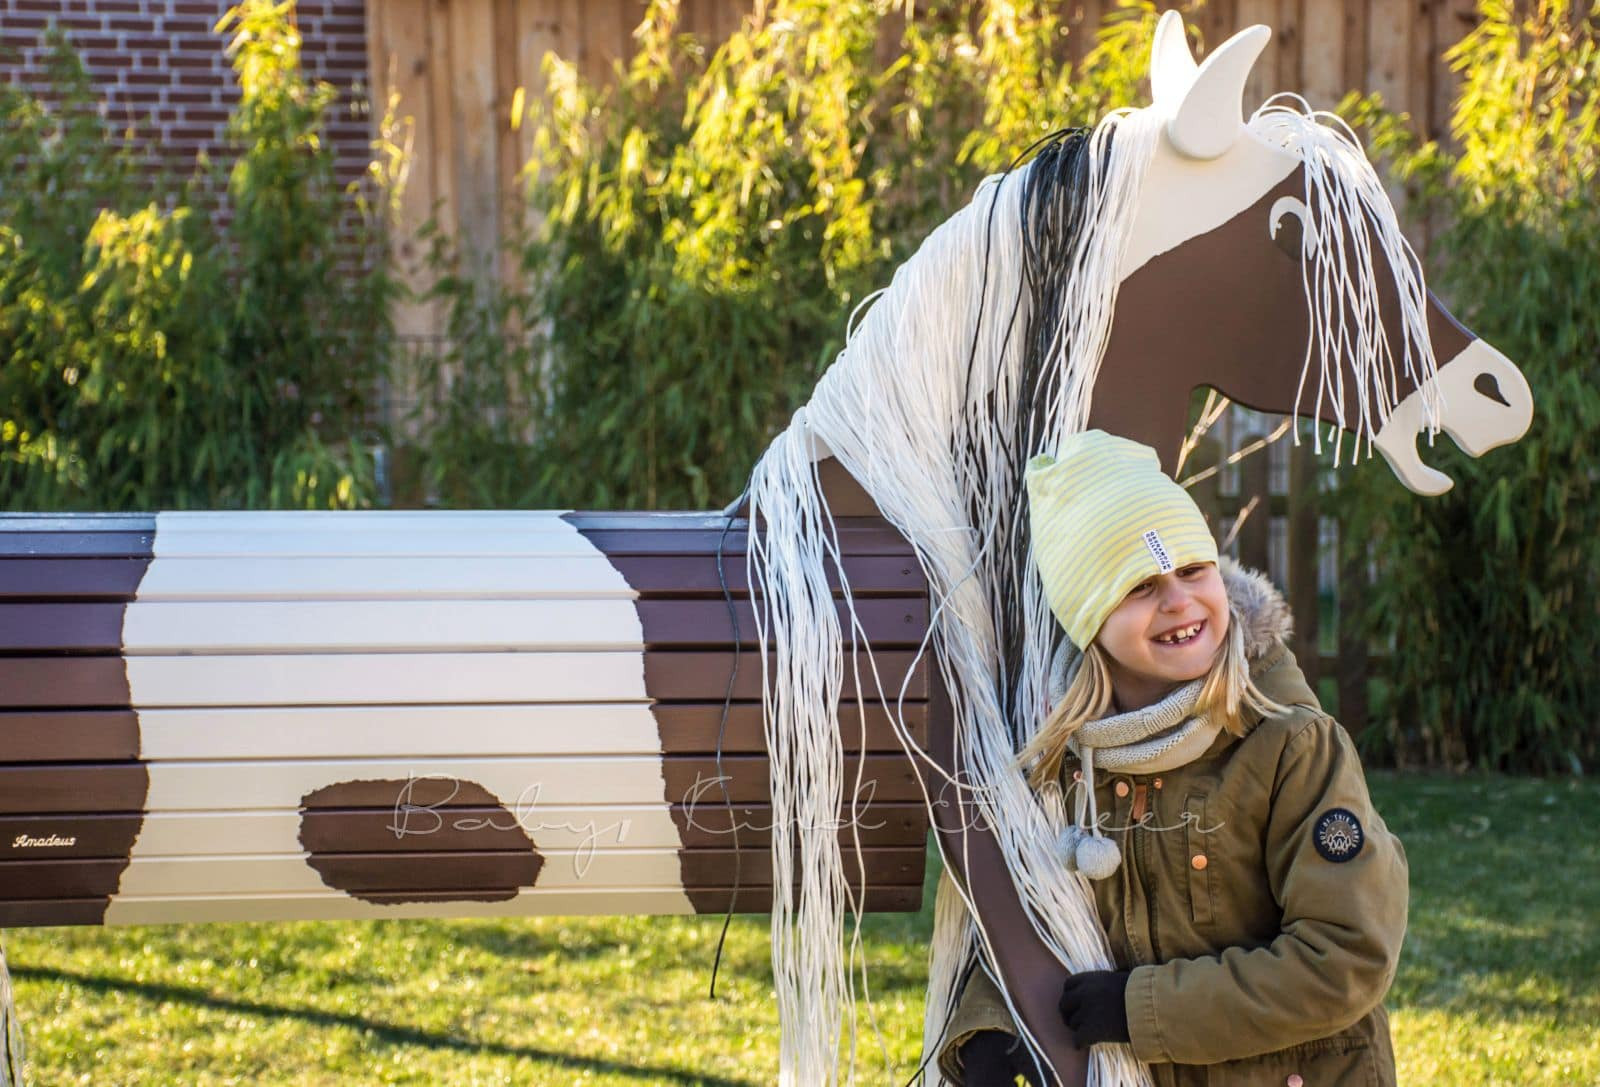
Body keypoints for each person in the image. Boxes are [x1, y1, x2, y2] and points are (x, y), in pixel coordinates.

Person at [933, 430, 1408, 1087]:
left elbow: (1346, 956)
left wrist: (1137, 1007)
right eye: (1140, 585)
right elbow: (1033, 923)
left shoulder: (1290, 747)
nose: (1179, 599)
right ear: (1088, 617)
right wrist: (989, 1029)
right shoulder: (1064, 763)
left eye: (1192, 568)